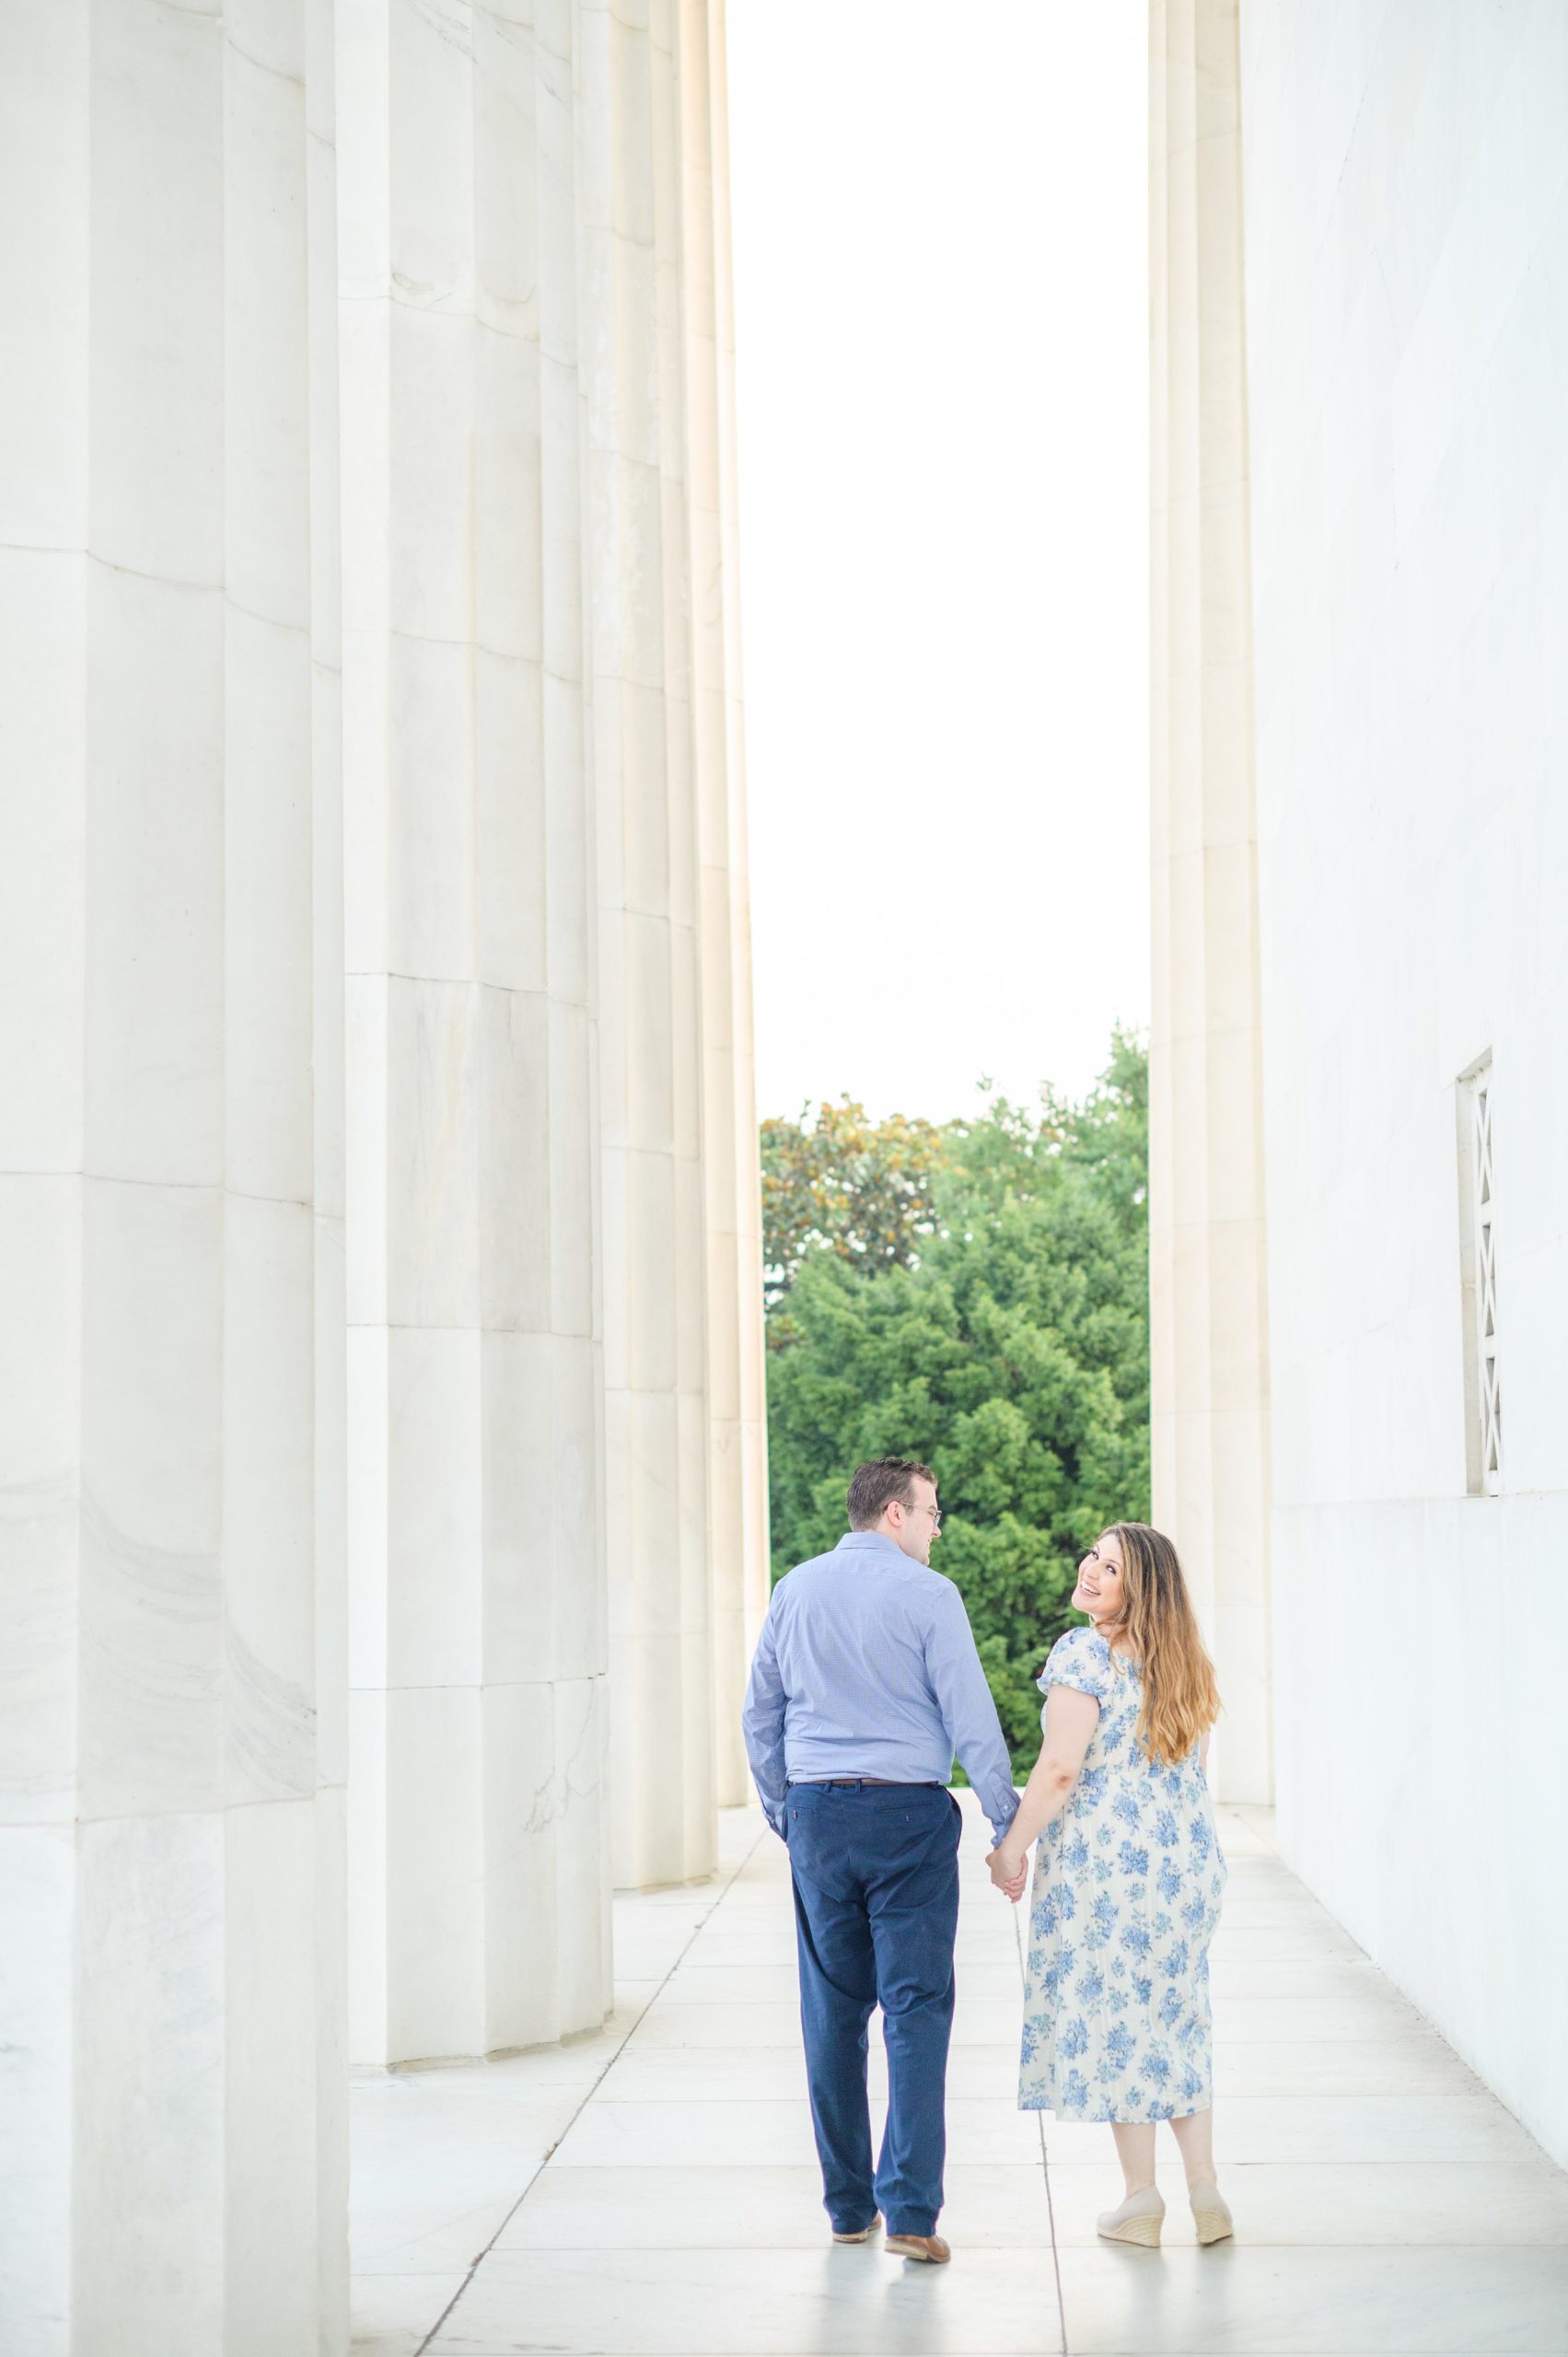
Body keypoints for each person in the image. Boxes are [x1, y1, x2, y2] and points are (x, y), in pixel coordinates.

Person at [742, 1457, 1019, 2265]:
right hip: (907, 1817)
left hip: (818, 1814)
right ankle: (909, 2212)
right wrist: (1005, 1826)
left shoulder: (795, 1587)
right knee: (916, 2010)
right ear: (895, 1514)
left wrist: (783, 1808)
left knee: (829, 2015)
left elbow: (761, 1709)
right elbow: (969, 1715)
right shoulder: (929, 1596)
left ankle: (844, 2208)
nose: (937, 1528)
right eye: (932, 1513)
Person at [988, 1522, 1231, 2249]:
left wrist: (1010, 1850)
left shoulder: (1083, 1655)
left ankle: (1139, 2198)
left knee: (1124, 2026)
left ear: (1139, 1590)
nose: (1090, 1571)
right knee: (1178, 2018)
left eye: (1112, 1568)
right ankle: (1205, 2186)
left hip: (1108, 1873)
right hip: (1185, 1867)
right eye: (1092, 1557)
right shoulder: (1186, 1664)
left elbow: (1059, 1771)